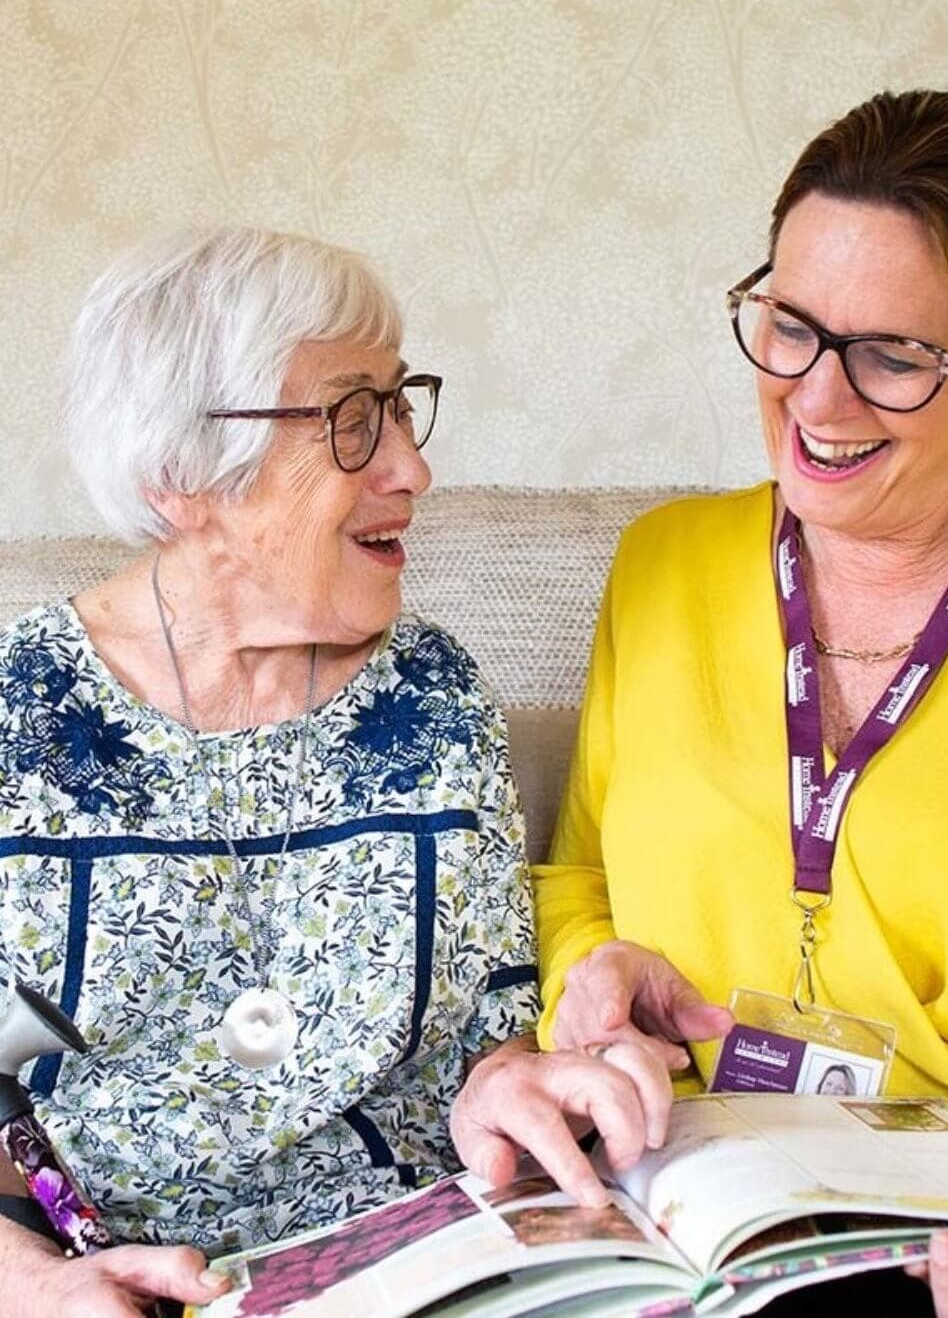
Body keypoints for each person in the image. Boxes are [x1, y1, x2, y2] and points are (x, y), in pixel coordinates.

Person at [530, 91, 948, 1316]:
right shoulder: (664, 563)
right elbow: (576, 880)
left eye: (895, 356)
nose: (816, 401)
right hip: (679, 1208)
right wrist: (591, 975)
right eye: (789, 327)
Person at [0, 225, 562, 1317]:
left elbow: (494, 1041)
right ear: (181, 474)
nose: (412, 467)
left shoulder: (431, 695)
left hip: (436, 1269)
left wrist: (522, 1086)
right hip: (105, 1279)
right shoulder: (16, 714)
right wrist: (32, 1289)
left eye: (402, 406)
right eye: (353, 419)